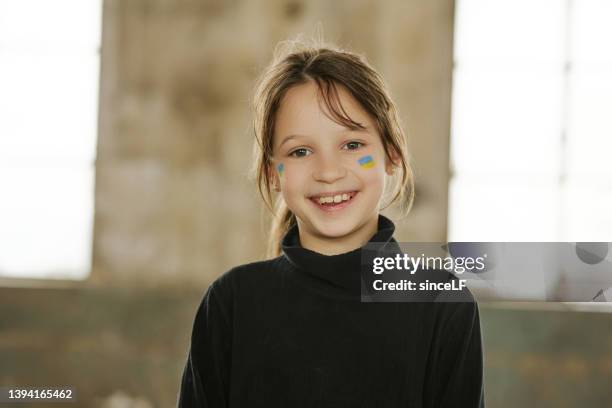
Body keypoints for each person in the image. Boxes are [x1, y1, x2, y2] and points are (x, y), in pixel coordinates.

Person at [177, 40, 485, 407]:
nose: (328, 172)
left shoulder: (441, 304)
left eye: (352, 145)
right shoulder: (231, 303)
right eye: (300, 152)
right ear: (272, 173)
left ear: (391, 155)